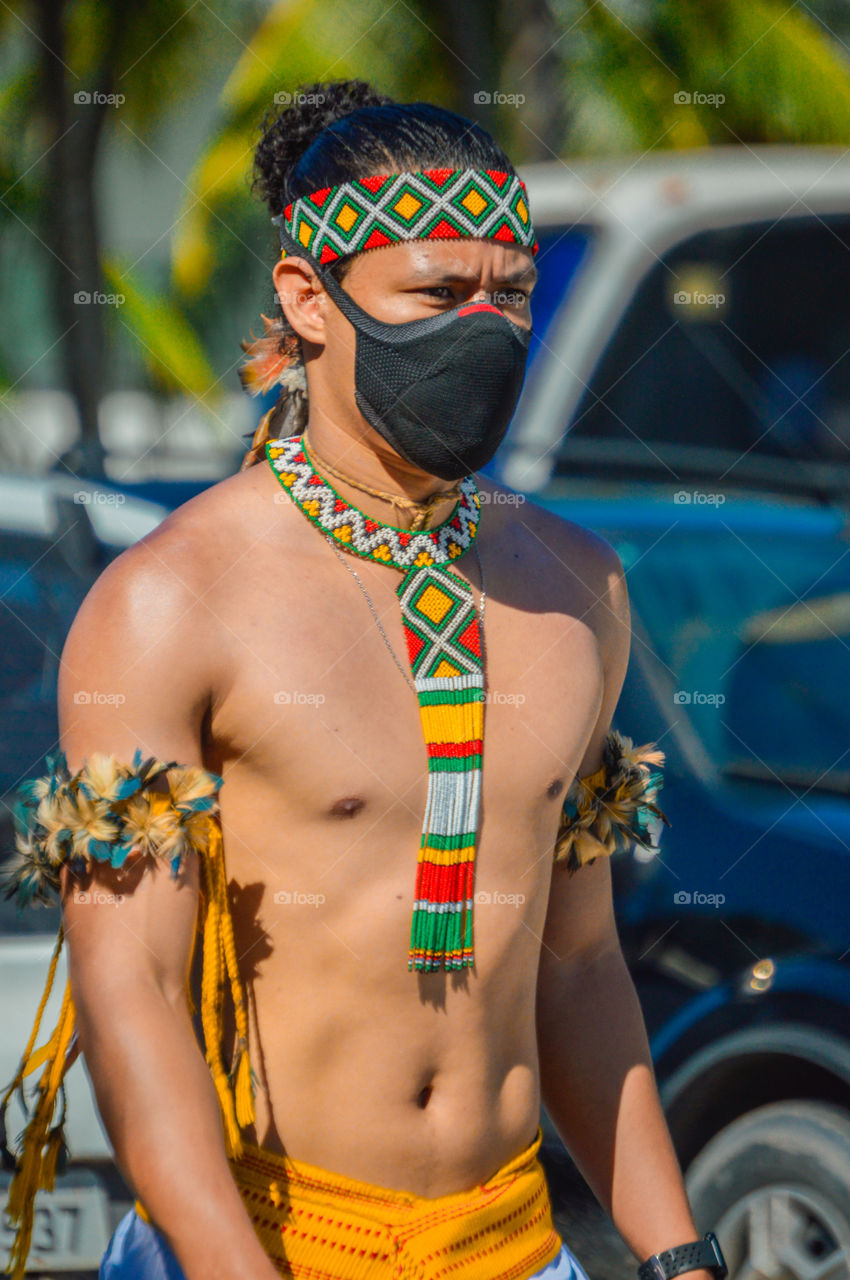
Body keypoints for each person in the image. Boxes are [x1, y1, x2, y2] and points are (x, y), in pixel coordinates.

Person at [1, 79, 722, 1280]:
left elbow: (581, 967)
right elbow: (132, 998)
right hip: (258, 1245)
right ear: (308, 298)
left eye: (510, 298)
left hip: (515, 1244)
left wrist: (676, 1252)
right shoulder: (172, 600)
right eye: (438, 295)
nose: (482, 331)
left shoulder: (576, 586)